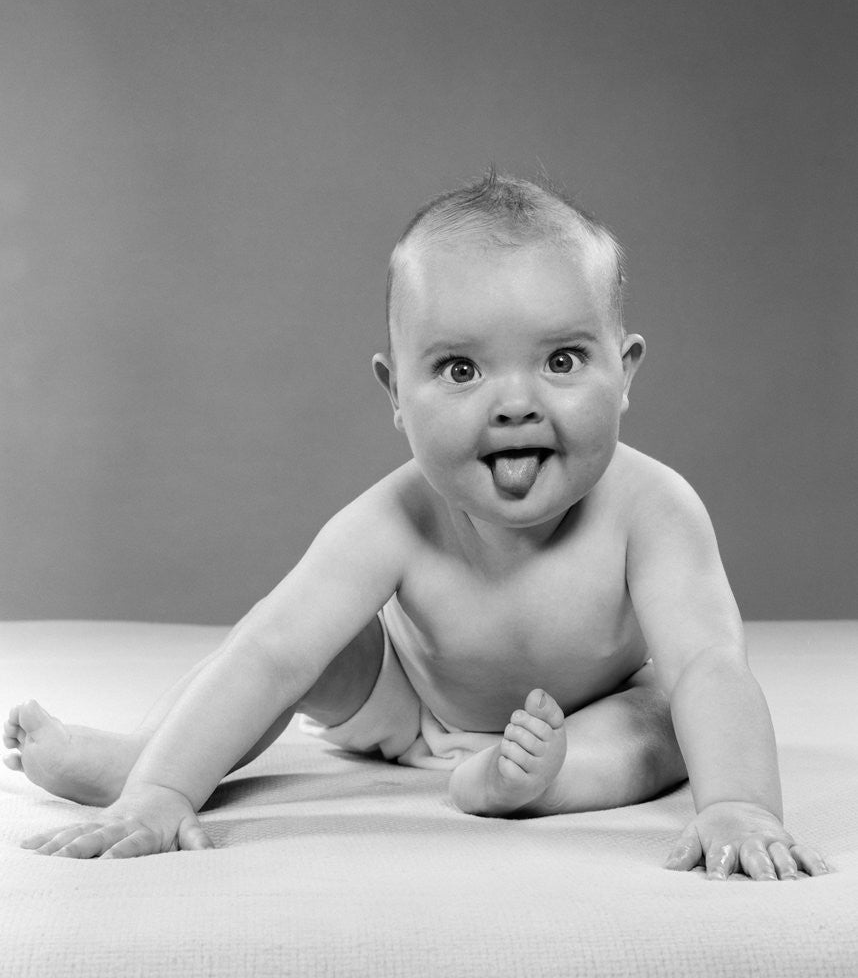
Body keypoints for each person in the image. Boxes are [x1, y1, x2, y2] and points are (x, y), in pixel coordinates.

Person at [4, 170, 827, 880]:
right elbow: (272, 648)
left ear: (625, 371)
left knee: (667, 717)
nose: (514, 401)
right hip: (402, 698)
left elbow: (710, 663)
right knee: (308, 651)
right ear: (395, 390)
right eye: (461, 368)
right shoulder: (392, 517)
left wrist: (740, 807)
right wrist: (165, 800)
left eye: (563, 360)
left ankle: (535, 781)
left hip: (586, 707)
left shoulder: (655, 509)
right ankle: (151, 764)